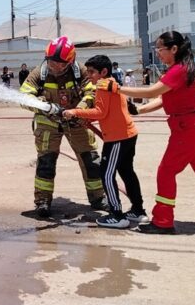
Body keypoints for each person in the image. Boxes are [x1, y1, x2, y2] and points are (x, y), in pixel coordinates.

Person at [98, 31, 195, 234]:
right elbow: (163, 98)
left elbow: (152, 91)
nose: (158, 53)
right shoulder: (185, 69)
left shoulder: (178, 70)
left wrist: (117, 88)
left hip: (187, 128)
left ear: (174, 49)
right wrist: (140, 110)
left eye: (160, 49)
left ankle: (163, 221)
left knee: (166, 172)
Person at [20, 36, 107, 218]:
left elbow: (92, 92)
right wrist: (44, 106)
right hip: (48, 124)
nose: (55, 67)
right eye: (51, 62)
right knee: (46, 162)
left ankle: (98, 198)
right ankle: (42, 201)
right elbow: (24, 96)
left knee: (90, 160)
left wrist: (79, 110)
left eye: (60, 64)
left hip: (77, 122)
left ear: (70, 61)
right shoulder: (39, 73)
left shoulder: (80, 71)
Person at [63, 55, 148, 229]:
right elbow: (109, 113)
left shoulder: (103, 85)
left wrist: (75, 112)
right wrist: (90, 122)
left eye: (92, 72)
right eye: (88, 71)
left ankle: (117, 215)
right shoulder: (112, 84)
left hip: (118, 138)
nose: (89, 75)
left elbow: (100, 112)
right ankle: (138, 211)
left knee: (107, 174)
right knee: (126, 172)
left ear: (104, 71)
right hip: (127, 134)